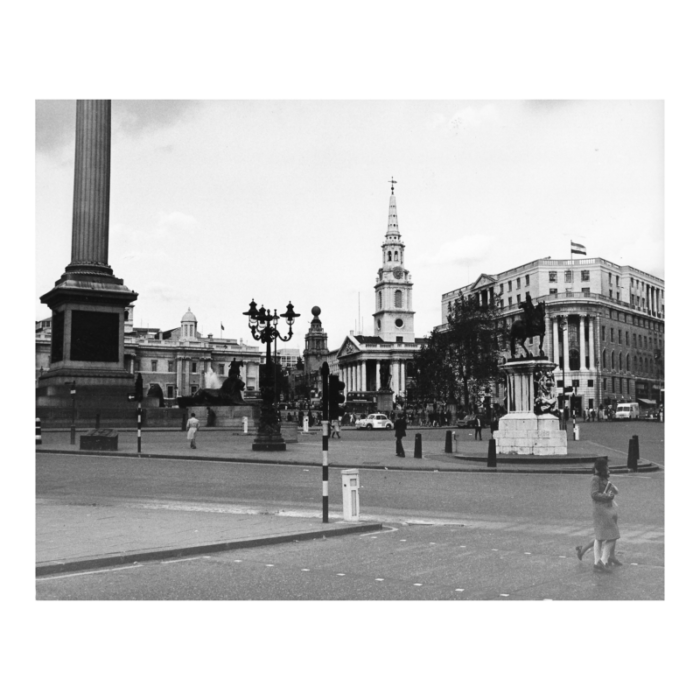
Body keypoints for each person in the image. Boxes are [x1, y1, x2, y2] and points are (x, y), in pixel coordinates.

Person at [589, 458, 622, 573]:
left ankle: (597, 562)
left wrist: (613, 490)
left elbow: (615, 491)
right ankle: (602, 560)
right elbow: (594, 494)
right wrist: (607, 497)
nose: (608, 468)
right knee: (613, 535)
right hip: (601, 509)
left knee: (599, 537)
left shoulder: (603, 478)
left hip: (606, 508)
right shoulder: (595, 478)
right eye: (606, 467)